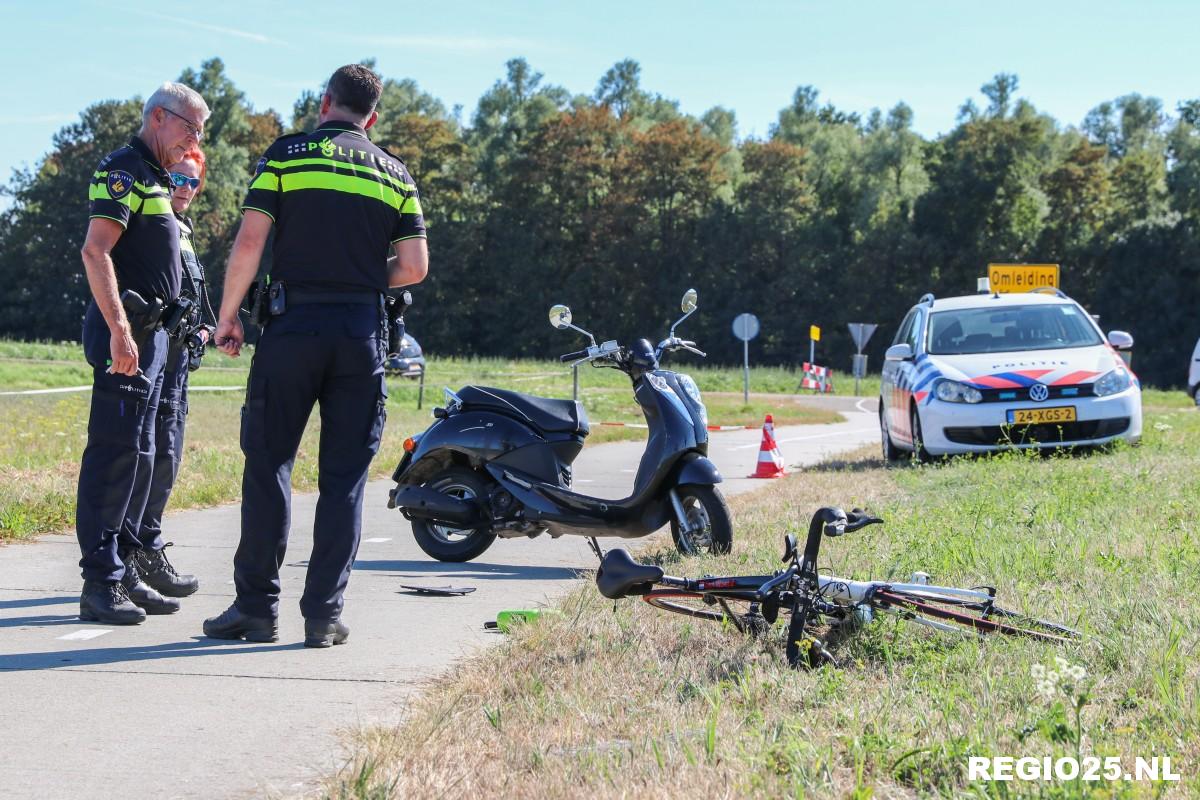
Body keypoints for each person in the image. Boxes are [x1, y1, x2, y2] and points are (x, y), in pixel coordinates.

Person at [204, 64, 428, 647]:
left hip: (292, 326)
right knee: (344, 480)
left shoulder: (287, 155)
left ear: (324, 101)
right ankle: (323, 615)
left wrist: (228, 316)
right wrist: (357, 279)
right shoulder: (395, 174)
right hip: (361, 332)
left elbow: (252, 240)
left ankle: (255, 608)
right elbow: (414, 267)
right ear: (372, 117)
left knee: (270, 463)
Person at [77, 82, 210, 624]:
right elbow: (96, 250)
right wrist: (120, 331)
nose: (193, 140)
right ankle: (99, 584)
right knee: (113, 459)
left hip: (152, 340)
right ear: (159, 117)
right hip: (126, 340)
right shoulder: (125, 169)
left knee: (136, 458)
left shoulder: (156, 178)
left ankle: (124, 569)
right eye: (190, 128)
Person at [121, 147, 213, 598]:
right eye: (177, 178)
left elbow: (192, 289)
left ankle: (148, 546)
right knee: (143, 453)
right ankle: (130, 554)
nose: (184, 189)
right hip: (151, 351)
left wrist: (208, 327)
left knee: (168, 456)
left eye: (192, 182)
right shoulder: (152, 225)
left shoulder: (184, 230)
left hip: (179, 362)